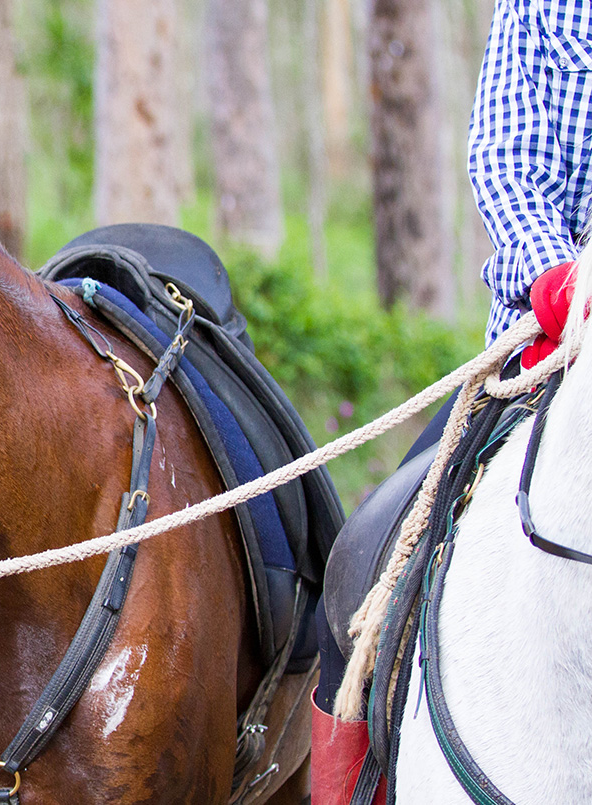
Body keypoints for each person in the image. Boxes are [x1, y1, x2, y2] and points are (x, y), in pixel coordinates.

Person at [312, 2, 589, 802]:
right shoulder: (545, 7)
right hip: (546, 349)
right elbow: (507, 162)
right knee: (365, 557)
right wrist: (556, 286)